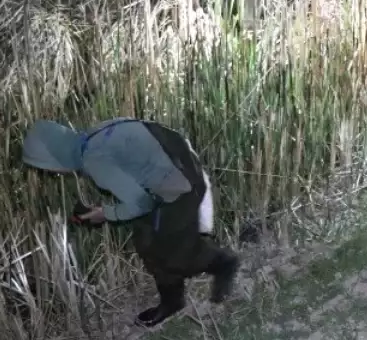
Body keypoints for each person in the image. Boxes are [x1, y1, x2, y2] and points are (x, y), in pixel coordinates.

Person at [21, 117, 240, 327]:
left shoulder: (94, 159)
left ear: (55, 157)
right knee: (146, 240)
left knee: (173, 251)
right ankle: (172, 302)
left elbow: (140, 204)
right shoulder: (90, 138)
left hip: (181, 181)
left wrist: (105, 214)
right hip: (174, 164)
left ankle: (223, 263)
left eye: (48, 168)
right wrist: (106, 210)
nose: (53, 174)